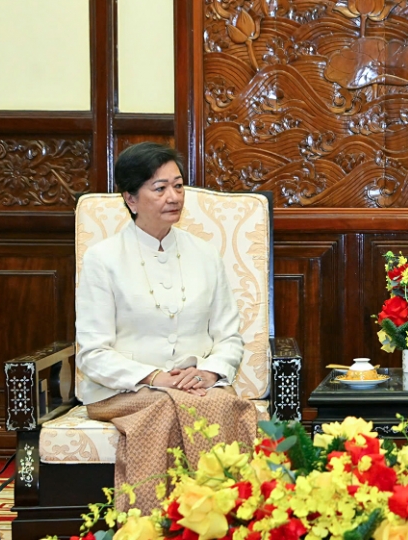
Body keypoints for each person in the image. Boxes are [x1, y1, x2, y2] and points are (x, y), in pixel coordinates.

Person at [75, 142, 257, 512]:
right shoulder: (103, 259)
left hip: (197, 386)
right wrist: (156, 378)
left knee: (221, 405)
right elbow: (93, 354)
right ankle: (154, 524)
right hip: (122, 390)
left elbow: (228, 337)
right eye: (159, 188)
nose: (174, 196)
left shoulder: (205, 254)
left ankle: (227, 521)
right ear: (130, 198)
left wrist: (207, 372)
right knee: (163, 409)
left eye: (178, 185)